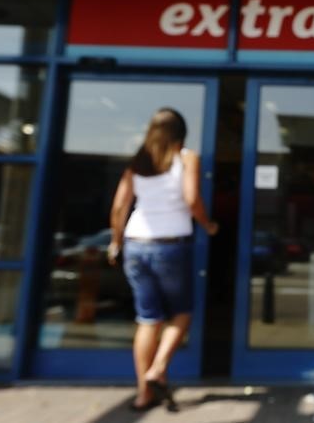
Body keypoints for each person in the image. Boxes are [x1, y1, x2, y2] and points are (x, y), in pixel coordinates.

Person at [107, 107, 218, 411]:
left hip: (135, 244)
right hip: (170, 246)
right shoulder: (186, 157)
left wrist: (116, 241)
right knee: (181, 314)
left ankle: (145, 393)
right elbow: (192, 198)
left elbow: (119, 207)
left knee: (148, 319)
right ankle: (157, 369)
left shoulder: (138, 162)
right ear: (181, 132)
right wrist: (207, 224)